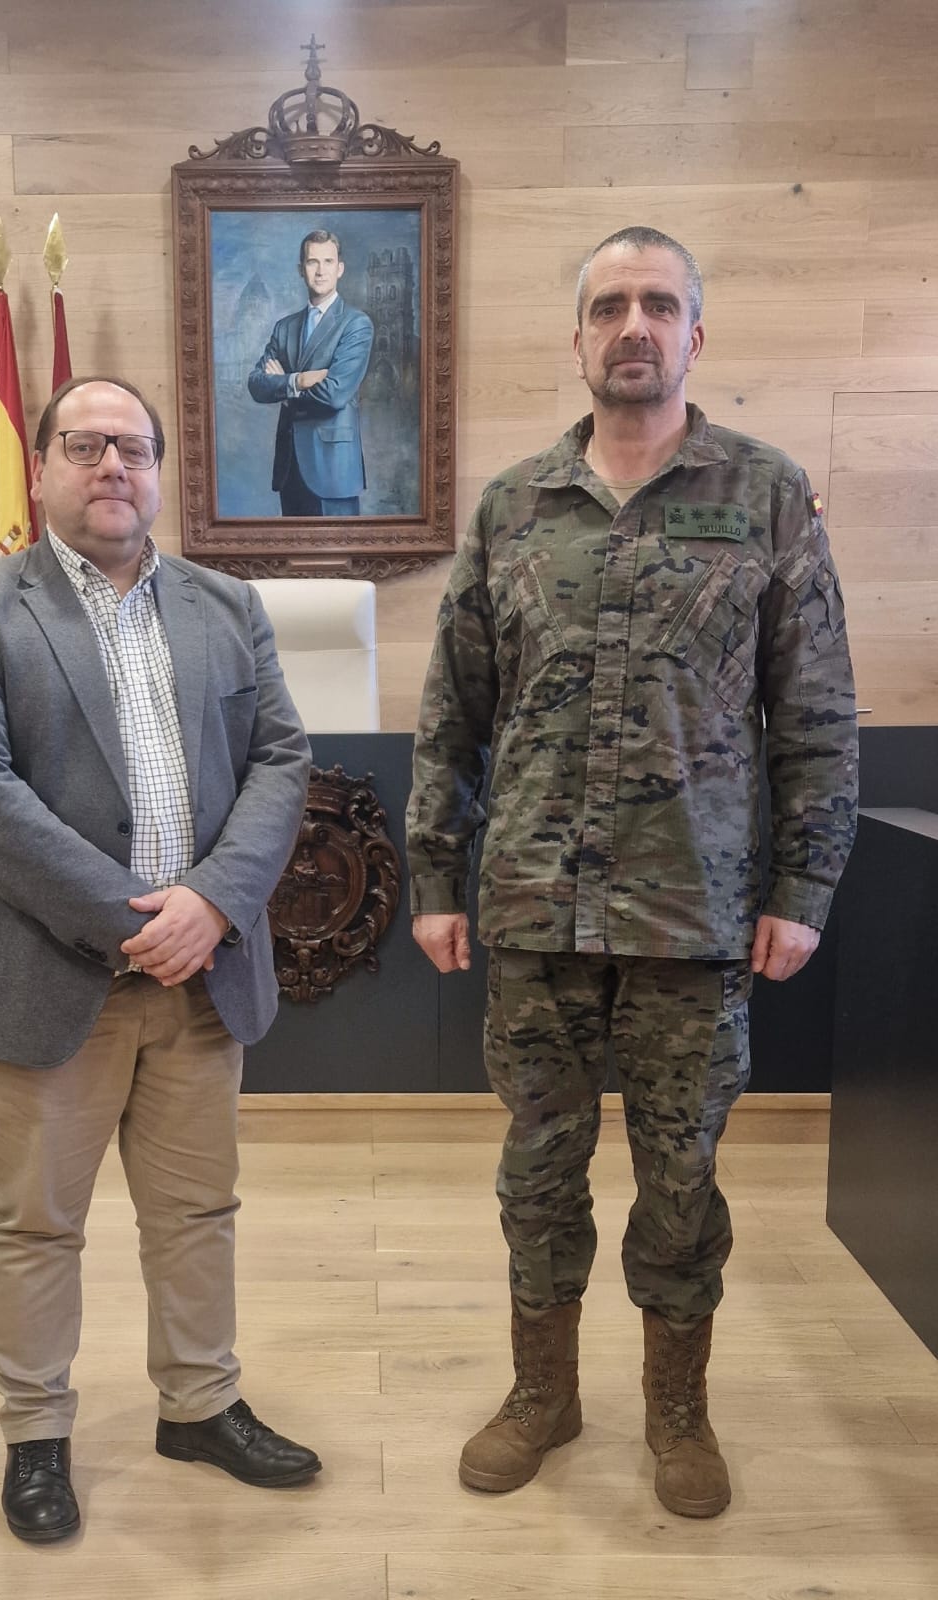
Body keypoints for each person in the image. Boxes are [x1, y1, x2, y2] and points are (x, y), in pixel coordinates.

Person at [405, 227, 858, 1519]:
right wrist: (434, 876)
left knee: (679, 1177)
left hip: (694, 914)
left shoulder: (764, 498)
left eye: (658, 304)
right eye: (607, 306)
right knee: (535, 1169)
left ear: (694, 335)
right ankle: (542, 1396)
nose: (632, 326)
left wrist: (800, 889)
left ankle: (677, 1409)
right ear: (577, 340)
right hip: (536, 914)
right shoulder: (510, 510)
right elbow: (451, 713)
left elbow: (815, 718)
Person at [0, 375, 320, 1544]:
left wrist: (212, 903)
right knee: (36, 1224)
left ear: (158, 470)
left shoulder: (226, 605)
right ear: (41, 467)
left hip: (200, 981)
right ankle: (35, 1435)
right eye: (84, 445)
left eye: (132, 448)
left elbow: (281, 760)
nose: (111, 468)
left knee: (197, 1211)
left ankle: (199, 1403)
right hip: (48, 975)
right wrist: (140, 918)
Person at [247, 229, 374, 516]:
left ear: (339, 269)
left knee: (340, 559)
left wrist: (283, 387)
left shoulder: (356, 325)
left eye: (327, 262)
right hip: (289, 468)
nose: (320, 271)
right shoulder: (285, 327)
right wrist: (299, 380)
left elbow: (334, 394)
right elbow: (256, 384)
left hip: (333, 470)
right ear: (300, 269)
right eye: (312, 262)